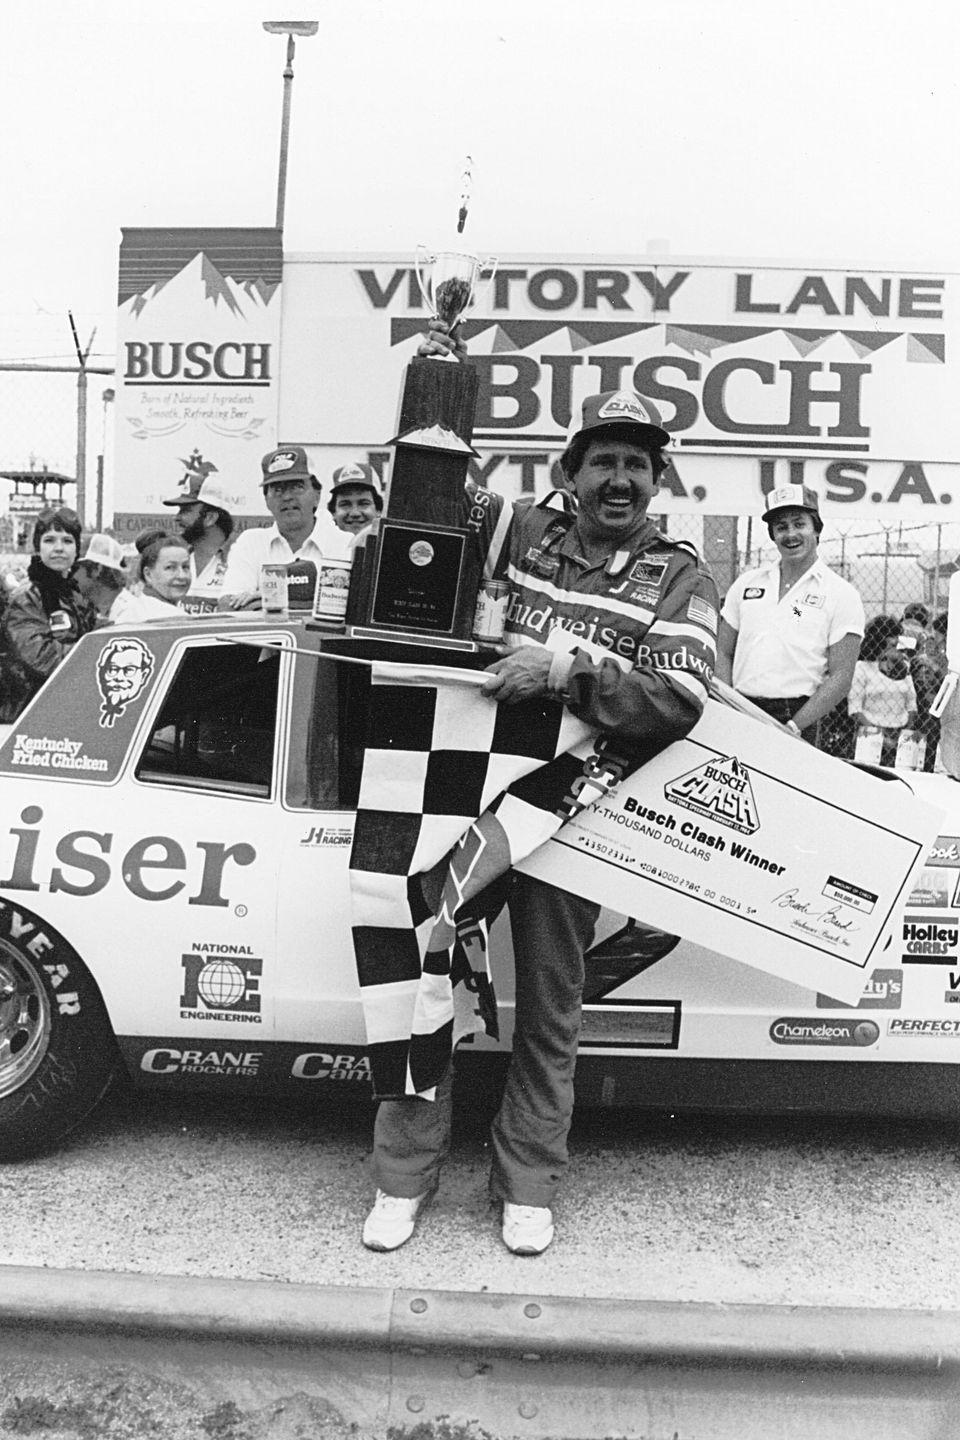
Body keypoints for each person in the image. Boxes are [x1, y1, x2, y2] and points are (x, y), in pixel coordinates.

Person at [363, 359, 719, 1257]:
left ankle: (527, 1184)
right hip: (462, 793)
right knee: (423, 974)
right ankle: (402, 1179)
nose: (620, 480)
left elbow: (679, 699)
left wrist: (561, 673)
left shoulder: (680, 573)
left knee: (552, 1007)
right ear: (570, 470)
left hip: (580, 809)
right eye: (603, 460)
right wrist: (434, 389)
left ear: (658, 479)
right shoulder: (517, 529)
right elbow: (424, 523)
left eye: (639, 464)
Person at [716, 484, 864, 742]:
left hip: (797, 716)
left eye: (799, 524)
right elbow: (722, 650)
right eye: (781, 527)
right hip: (740, 708)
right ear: (772, 534)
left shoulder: (841, 593)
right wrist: (730, 705)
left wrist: (794, 726)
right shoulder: (747, 583)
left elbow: (841, 676)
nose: (790, 534)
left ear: (816, 529)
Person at [218, 446, 348, 609]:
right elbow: (228, 605)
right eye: (278, 489)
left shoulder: (346, 545)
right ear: (266, 500)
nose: (287, 497)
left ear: (317, 495)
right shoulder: (250, 542)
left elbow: (347, 608)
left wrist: (268, 595)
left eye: (297, 487)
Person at [0, 505, 97, 720]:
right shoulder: (27, 598)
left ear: (77, 549)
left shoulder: (75, 594)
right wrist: (98, 657)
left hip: (64, 704)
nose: (59, 548)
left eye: (67, 541)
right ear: (38, 547)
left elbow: (95, 630)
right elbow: (43, 658)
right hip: (26, 713)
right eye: (50, 540)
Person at [847, 615, 918, 766]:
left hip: (899, 735)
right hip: (870, 733)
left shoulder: (903, 668)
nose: (896, 643)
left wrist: (903, 735)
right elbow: (855, 709)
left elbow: (912, 705)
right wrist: (880, 737)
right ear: (880, 640)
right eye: (892, 639)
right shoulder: (862, 668)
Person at [161, 473, 236, 605]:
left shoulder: (241, 557)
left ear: (210, 518)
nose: (177, 518)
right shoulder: (174, 558)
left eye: (185, 510)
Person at [123, 530, 191, 618]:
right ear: (148, 574)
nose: (182, 576)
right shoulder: (175, 619)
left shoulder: (133, 609)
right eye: (170, 568)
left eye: (185, 567)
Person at [74, 533, 135, 623]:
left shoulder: (129, 614)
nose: (69, 574)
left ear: (97, 569)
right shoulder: (92, 610)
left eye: (75, 567)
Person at [327, 462, 384, 536]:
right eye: (345, 504)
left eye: (363, 503)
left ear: (378, 510)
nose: (355, 513)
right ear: (334, 513)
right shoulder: (321, 546)